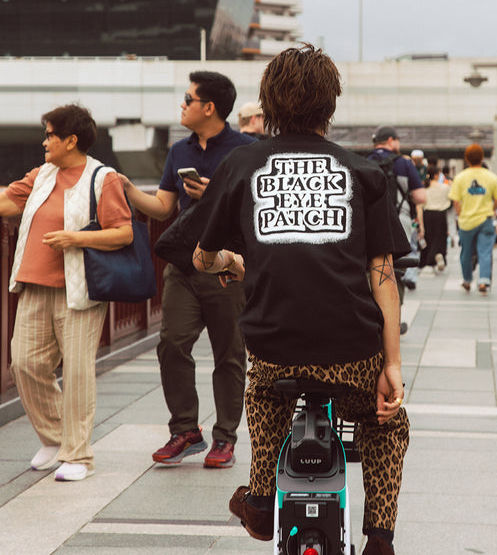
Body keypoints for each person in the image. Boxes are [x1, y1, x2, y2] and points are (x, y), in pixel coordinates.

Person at [190, 44, 411, 555]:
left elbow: (203, 257)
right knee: (386, 423)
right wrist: (392, 363)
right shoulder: (363, 173)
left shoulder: (242, 165)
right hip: (353, 351)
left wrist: (231, 263)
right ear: (330, 107)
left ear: (269, 106)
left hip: (275, 348)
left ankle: (263, 500)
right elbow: (382, 273)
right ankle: (379, 536)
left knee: (264, 395)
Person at [119, 71, 255, 468]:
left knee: (229, 353)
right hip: (183, 265)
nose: (182, 105)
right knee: (172, 344)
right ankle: (185, 430)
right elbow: (164, 207)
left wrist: (215, 191)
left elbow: (254, 208)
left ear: (208, 107)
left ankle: (225, 439)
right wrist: (128, 189)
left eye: (188, 99)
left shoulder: (246, 149)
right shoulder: (179, 151)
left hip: (227, 264)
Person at [0, 104, 133, 481]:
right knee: (24, 364)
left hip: (80, 290)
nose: (44, 142)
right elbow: (9, 200)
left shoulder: (101, 178)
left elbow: (122, 232)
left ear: (71, 140)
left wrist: (75, 238)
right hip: (34, 285)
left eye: (49, 135)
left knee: (76, 372)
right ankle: (56, 437)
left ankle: (78, 455)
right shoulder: (42, 174)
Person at [369, 128, 425, 292]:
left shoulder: (365, 161)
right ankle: (395, 310)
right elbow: (421, 197)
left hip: (372, 221)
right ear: (391, 140)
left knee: (375, 262)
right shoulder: (404, 163)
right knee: (397, 267)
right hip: (400, 219)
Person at [448, 143, 497, 295]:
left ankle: (467, 280)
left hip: (466, 221)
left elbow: (456, 202)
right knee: (485, 251)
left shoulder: (460, 178)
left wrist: (460, 215)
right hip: (485, 219)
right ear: (482, 158)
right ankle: (484, 280)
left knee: (466, 252)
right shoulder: (491, 177)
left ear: (466, 159)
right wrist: (491, 209)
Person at [419, 165, 450, 272]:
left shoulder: (424, 188)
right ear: (436, 175)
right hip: (440, 215)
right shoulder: (445, 187)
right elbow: (450, 199)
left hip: (428, 214)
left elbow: (420, 205)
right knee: (440, 238)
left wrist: (421, 225)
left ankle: (430, 259)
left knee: (429, 238)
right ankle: (437, 256)